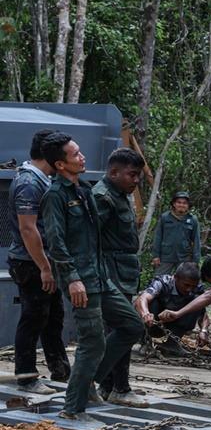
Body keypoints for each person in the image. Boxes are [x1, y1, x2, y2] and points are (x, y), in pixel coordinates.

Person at [39, 132, 144, 423]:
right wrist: (71, 278)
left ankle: (87, 382)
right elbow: (56, 243)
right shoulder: (55, 196)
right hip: (81, 281)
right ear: (61, 165)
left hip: (100, 277)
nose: (82, 157)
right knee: (92, 342)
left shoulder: (83, 190)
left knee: (132, 325)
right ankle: (73, 408)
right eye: (75, 155)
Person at [7, 129, 71, 393]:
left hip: (45, 261)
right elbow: (28, 230)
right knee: (34, 317)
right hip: (30, 262)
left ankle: (60, 372)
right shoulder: (29, 184)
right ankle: (26, 376)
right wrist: (44, 267)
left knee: (53, 317)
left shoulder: (42, 179)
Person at [91, 148, 150, 406]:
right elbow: (91, 239)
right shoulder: (103, 198)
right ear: (114, 172)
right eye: (132, 175)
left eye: (138, 175)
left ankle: (107, 386)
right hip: (111, 270)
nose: (136, 180)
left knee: (117, 330)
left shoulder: (119, 194)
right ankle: (120, 388)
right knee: (124, 328)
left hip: (123, 269)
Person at [134, 262, 208, 356]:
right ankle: (145, 341)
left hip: (175, 325)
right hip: (153, 322)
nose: (189, 289)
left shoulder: (198, 289)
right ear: (175, 277)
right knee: (151, 301)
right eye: (186, 285)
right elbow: (142, 298)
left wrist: (204, 331)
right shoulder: (162, 282)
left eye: (193, 286)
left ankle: (172, 344)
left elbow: (204, 314)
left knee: (197, 302)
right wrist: (146, 314)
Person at [151, 191, 200, 275]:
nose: (181, 205)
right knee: (159, 280)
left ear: (188, 205)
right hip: (166, 256)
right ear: (174, 204)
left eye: (184, 203)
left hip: (184, 257)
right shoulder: (165, 217)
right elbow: (158, 237)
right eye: (179, 202)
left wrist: (196, 260)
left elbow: (196, 241)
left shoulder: (192, 220)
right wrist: (156, 256)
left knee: (184, 281)